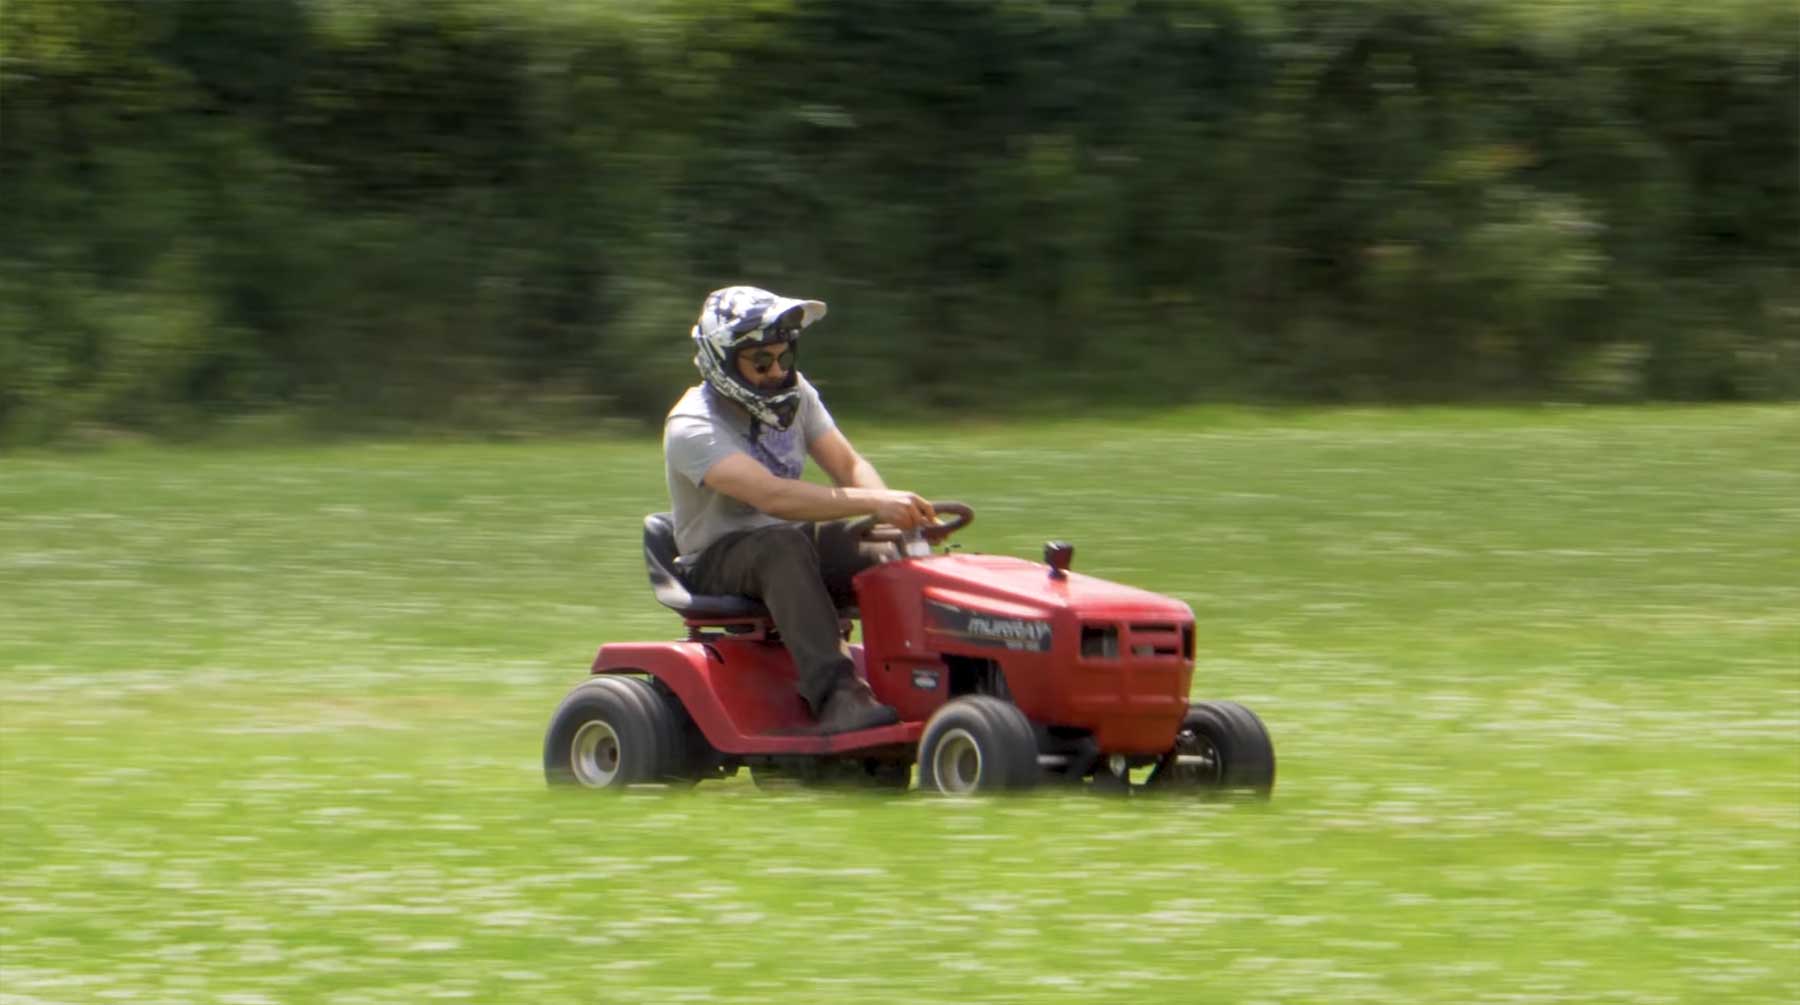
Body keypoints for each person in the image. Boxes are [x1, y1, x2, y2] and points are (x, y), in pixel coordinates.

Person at [663, 286, 936, 734]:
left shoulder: (797, 395)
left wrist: (891, 519)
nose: (777, 372)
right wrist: (877, 502)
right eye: (762, 362)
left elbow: (847, 465)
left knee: (885, 547)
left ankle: (928, 675)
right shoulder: (692, 425)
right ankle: (836, 698)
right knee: (782, 546)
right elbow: (773, 498)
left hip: (788, 541)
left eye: (783, 358)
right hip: (716, 556)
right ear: (724, 361)